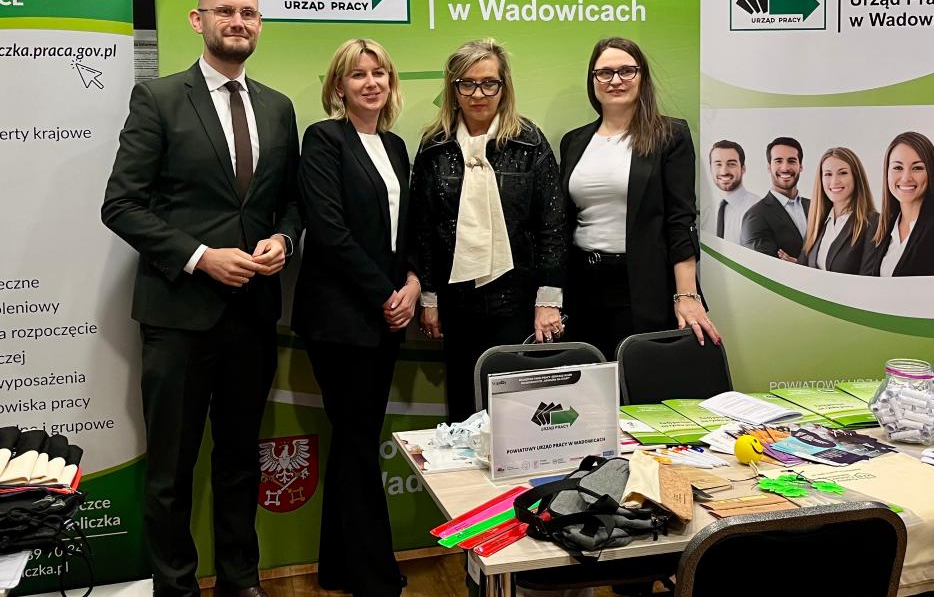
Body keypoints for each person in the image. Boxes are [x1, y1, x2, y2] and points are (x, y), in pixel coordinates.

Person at [102, 0, 301, 597]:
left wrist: (283, 239)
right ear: (199, 20)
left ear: (259, 24)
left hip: (253, 317)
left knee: (240, 459)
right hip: (178, 316)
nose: (238, 22)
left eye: (249, 13)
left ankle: (241, 580)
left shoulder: (277, 107)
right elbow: (121, 206)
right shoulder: (158, 98)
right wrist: (199, 257)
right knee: (171, 469)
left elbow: (291, 202)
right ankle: (176, 588)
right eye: (225, 12)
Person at [291, 39, 415, 596]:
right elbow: (329, 231)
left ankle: (340, 567)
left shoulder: (395, 146)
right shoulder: (324, 139)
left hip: (386, 315)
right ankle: (371, 573)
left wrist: (412, 284)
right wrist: (387, 294)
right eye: (358, 74)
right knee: (358, 439)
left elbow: (405, 231)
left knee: (353, 439)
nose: (371, 82)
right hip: (340, 319)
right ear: (338, 86)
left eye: (379, 73)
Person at [410, 38, 567, 423]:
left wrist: (549, 298)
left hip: (517, 298)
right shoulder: (434, 147)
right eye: (467, 83)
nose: (478, 94)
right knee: (464, 409)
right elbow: (422, 228)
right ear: (453, 89)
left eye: (489, 83)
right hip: (456, 300)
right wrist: (429, 298)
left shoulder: (529, 142)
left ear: (503, 87)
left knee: (519, 415)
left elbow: (552, 223)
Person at [560, 37, 720, 361]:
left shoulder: (669, 136)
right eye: (604, 72)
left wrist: (686, 295)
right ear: (593, 80)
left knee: (643, 381)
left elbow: (681, 219)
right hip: (583, 287)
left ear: (642, 76)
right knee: (590, 383)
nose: (615, 80)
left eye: (626, 71)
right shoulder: (573, 141)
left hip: (643, 285)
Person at [860, 131, 934, 277]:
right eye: (898, 168)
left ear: (931, 173)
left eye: (917, 168)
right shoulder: (884, 227)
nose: (906, 178)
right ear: (887, 173)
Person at [798, 147, 877, 274]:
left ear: (856, 177)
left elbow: (868, 279)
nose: (834, 181)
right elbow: (802, 270)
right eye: (828, 174)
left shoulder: (872, 222)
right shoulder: (817, 222)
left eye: (843, 173)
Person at [740, 137, 810, 260]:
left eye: (792, 161)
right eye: (778, 161)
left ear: (800, 166)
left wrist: (798, 264)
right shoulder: (755, 216)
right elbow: (764, 266)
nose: (785, 168)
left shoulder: (816, 207)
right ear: (769, 167)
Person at [704, 139, 759, 243]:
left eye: (731, 164)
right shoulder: (705, 209)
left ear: (743, 168)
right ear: (710, 168)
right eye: (718, 164)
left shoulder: (759, 209)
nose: (724, 171)